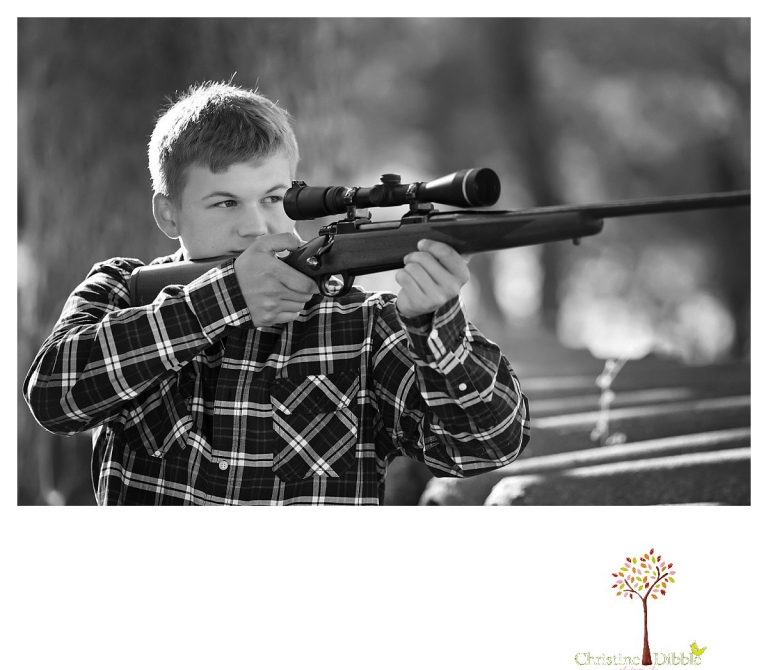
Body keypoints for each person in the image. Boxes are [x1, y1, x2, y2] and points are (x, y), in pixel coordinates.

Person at [23, 80, 530, 505]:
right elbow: (54, 396)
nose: (255, 226)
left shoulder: (363, 325)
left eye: (272, 198)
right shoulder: (121, 291)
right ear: (168, 214)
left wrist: (436, 325)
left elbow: (486, 446)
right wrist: (227, 297)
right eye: (225, 203)